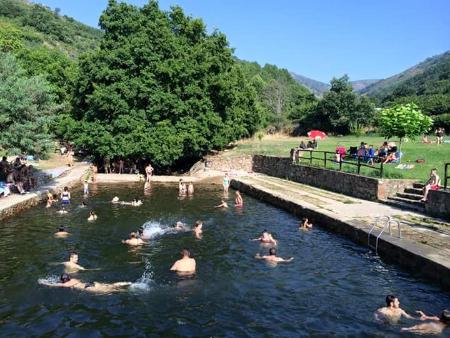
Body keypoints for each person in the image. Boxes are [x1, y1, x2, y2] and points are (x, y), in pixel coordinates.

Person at [39, 273, 131, 293]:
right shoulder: (74, 280)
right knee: (111, 286)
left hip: (88, 287)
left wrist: (43, 282)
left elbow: (54, 284)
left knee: (110, 291)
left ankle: (129, 290)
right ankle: (129, 283)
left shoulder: (65, 284)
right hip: (90, 283)